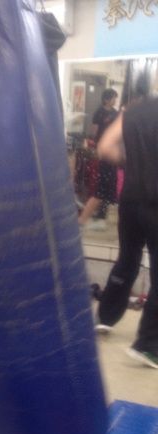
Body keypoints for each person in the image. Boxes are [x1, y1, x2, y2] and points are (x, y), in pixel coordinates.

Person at [95, 96, 158, 369]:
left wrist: (130, 164)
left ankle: (105, 318)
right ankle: (149, 346)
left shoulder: (134, 110)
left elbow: (105, 148)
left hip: (131, 199)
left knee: (127, 260)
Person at [78, 88, 119, 229]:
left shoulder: (116, 113)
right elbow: (94, 132)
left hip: (113, 152)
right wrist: (94, 146)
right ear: (106, 99)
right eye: (113, 97)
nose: (115, 100)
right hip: (102, 151)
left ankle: (102, 215)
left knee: (111, 185)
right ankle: (86, 218)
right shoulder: (99, 113)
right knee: (102, 184)